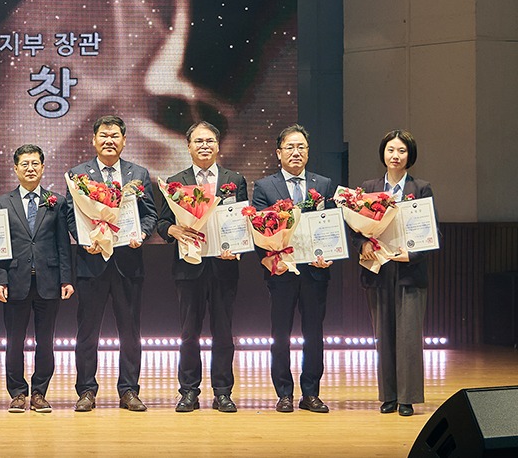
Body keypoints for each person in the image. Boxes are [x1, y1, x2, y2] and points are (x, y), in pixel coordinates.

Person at [66, 115, 157, 412]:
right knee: (87, 332)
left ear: (124, 140)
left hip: (127, 263)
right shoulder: (78, 174)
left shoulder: (138, 174)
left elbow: (150, 214)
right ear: (93, 140)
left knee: (130, 332)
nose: (109, 141)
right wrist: (83, 239)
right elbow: (71, 215)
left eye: (115, 135)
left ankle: (129, 390)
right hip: (91, 263)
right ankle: (86, 390)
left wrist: (142, 234)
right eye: (103, 136)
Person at [156, 121, 247, 413]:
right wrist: (173, 230)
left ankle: (223, 392)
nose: (204, 146)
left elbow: (243, 219)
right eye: (198, 141)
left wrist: (237, 247)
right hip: (189, 267)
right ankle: (189, 392)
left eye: (209, 141)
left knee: (223, 332)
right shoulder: (176, 181)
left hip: (224, 266)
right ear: (189, 147)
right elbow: (161, 222)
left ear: (218, 146)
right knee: (188, 333)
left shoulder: (235, 180)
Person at [251, 124, 337, 413]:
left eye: (301, 147)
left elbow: (331, 226)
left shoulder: (323, 184)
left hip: (315, 272)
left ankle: (311, 393)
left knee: (314, 335)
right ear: (279, 153)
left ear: (308, 152)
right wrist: (268, 257)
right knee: (280, 335)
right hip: (281, 273)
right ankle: (284, 393)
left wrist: (330, 254)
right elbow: (257, 228)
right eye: (290, 147)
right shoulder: (265, 187)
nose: (296, 152)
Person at [352, 130, 433, 417]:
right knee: (383, 335)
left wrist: (413, 255)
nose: (395, 156)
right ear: (383, 154)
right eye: (390, 150)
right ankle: (388, 395)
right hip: (379, 270)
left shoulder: (421, 188)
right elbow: (356, 229)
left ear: (410, 155)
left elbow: (430, 231)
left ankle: (407, 398)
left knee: (408, 336)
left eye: (401, 150)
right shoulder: (369, 187)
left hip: (409, 270)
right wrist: (363, 245)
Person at [0, 144, 74, 413]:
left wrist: (66, 279)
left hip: (48, 281)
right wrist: (0, 278)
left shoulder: (56, 201)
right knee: (14, 341)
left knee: (45, 341)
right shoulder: (2, 203)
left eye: (35, 163)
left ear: (43, 167)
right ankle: (17, 392)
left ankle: (39, 392)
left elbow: (63, 244)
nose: (30, 168)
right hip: (15, 280)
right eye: (24, 164)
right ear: (15, 169)